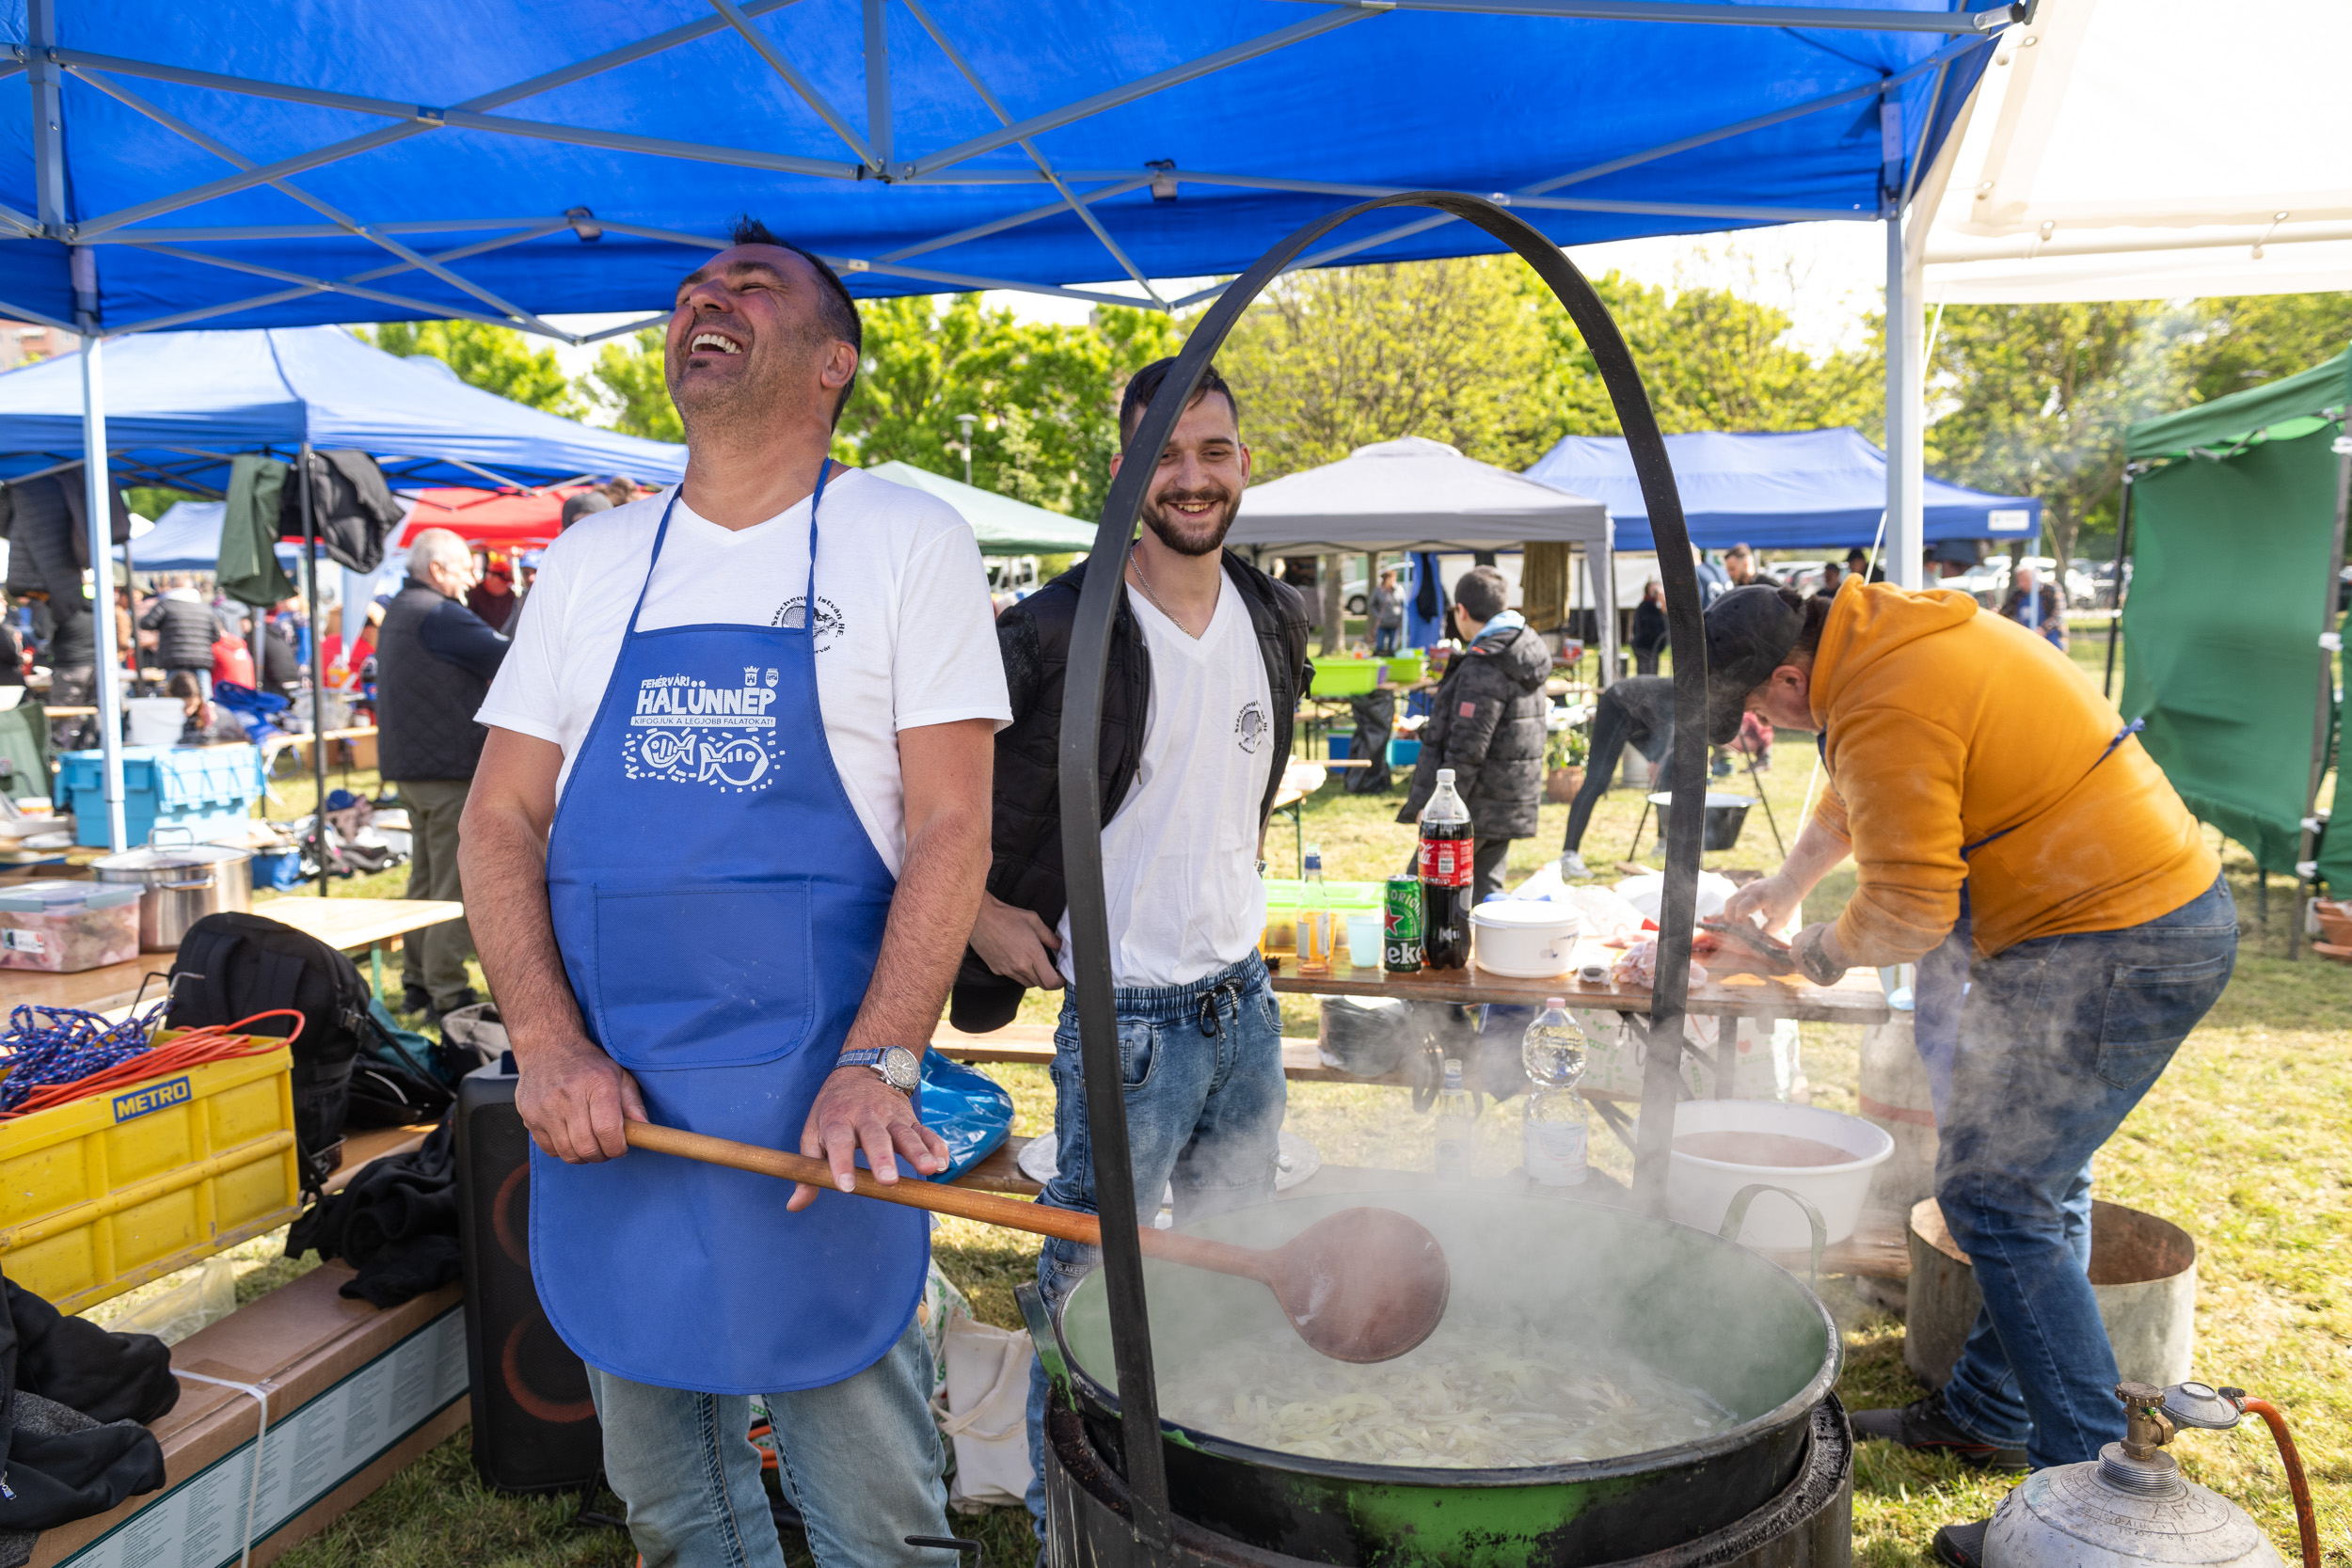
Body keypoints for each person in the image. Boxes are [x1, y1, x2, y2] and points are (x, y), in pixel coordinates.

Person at [462, 219, 1004, 1568]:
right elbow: (497, 818)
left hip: (819, 1114)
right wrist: (544, 1041)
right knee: (672, 1502)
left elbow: (950, 827)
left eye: (752, 288)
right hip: (616, 1109)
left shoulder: (901, 536)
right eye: (695, 289)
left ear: (836, 361)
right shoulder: (593, 562)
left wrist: (881, 1060)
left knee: (876, 1514)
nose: (708, 298)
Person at [1699, 582, 2233, 1568]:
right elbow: (1856, 792)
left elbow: (1908, 913)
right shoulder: (1877, 644)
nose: (1759, 724)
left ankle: (2090, 1507)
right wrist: (1784, 886)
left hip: (2122, 940)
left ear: (1785, 674)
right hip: (2115, 928)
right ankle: (1987, 1411)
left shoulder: (1882, 693)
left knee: (1994, 1197)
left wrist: (1810, 949)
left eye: (1758, 708)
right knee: (2036, 1186)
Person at [951, 358, 1309, 1540]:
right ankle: (1080, 1515)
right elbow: (917, 795)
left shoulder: (1269, 613)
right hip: (1126, 1014)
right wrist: (979, 917)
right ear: (1122, 474)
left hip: (1241, 1002)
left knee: (1235, 1250)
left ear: (1243, 463)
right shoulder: (1052, 629)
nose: (1191, 478)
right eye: (1162, 456)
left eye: (1212, 451)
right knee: (1092, 1263)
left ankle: (1205, 1491)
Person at [377, 529, 509, 1026]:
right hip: (445, 767)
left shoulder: (399, 607)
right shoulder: (439, 612)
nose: (472, 578)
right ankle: (448, 990)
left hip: (412, 766)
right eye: (463, 568)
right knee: (452, 882)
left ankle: (418, 982)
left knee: (426, 879)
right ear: (437, 570)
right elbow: (510, 657)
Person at [1396, 565, 1549, 905]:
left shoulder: (1488, 660)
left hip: (1472, 803)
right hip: (1506, 797)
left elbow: (1469, 744)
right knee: (1483, 897)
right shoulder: (1523, 647)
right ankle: (1488, 957)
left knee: (1418, 893)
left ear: (1461, 611)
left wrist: (1440, 807)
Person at [1555, 673, 1671, 879]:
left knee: (1671, 770)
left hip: (1642, 716)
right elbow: (1668, 725)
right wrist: (1657, 761)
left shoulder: (1701, 698)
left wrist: (1662, 761)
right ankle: (1568, 856)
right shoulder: (1689, 691)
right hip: (1617, 705)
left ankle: (1664, 841)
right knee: (1597, 781)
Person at [140, 584, 220, 696]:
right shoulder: (205, 608)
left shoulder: (166, 605)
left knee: (172, 696)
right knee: (205, 697)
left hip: (174, 657)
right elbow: (217, 635)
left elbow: (146, 623)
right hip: (200, 658)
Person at [2000, 563, 2068, 651]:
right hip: (2026, 638)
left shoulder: (2050, 590)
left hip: (2050, 636)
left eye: (2025, 580)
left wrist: (2043, 629)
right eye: (2019, 581)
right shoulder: (2018, 594)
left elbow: (2058, 613)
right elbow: (2005, 611)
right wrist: (1997, 612)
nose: (2022, 584)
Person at [168, 670, 246, 744]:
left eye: (192, 706)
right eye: (184, 707)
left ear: (199, 699)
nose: (188, 711)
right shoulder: (163, 710)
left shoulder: (206, 712)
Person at [466, 553, 519, 632]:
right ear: (491, 576)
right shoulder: (475, 593)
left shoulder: (511, 596)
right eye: (501, 580)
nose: (504, 585)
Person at [1629, 578, 1668, 675]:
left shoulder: (1651, 607)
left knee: (1650, 674)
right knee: (1647, 676)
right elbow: (1654, 627)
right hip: (1646, 648)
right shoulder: (1646, 606)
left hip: (1649, 648)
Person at [1370, 566, 1403, 656]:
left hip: (1395, 622)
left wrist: (1401, 616)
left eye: (1394, 579)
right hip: (1382, 622)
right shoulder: (1378, 591)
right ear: (1385, 580)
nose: (1392, 581)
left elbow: (1402, 603)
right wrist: (1378, 615)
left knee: (1392, 647)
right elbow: (1371, 604)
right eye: (1390, 579)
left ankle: (1391, 664)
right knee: (1379, 646)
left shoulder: (1398, 590)